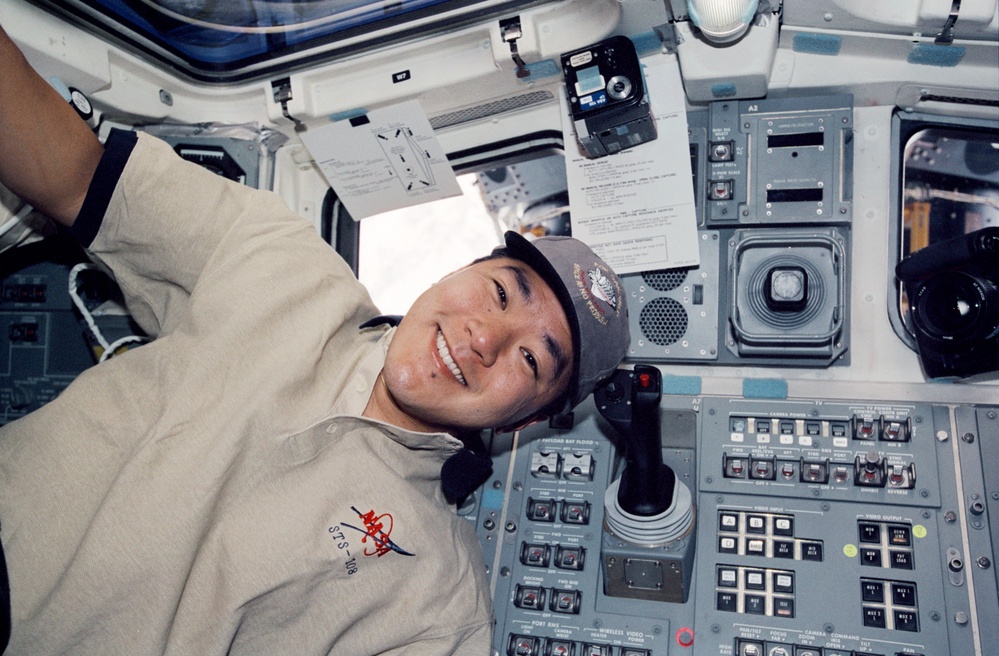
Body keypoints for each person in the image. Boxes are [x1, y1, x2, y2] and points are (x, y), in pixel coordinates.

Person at [0, 20, 629, 656]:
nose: (483, 339)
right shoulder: (284, 264)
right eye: (500, 292)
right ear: (459, 270)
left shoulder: (437, 608)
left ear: (528, 418)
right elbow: (78, 178)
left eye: (530, 358)